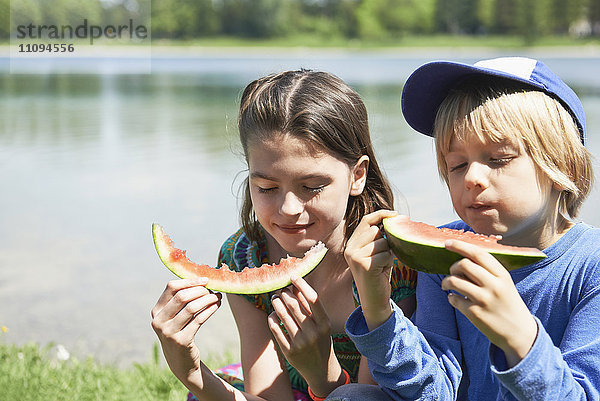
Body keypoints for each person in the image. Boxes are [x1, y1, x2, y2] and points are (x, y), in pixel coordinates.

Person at [329, 57, 600, 400]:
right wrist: (378, 309)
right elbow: (434, 392)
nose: (471, 178)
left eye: (498, 159)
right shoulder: (443, 259)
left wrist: (520, 337)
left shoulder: (591, 269)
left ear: (561, 165)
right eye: (456, 165)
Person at [151, 69, 417, 401]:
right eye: (266, 187)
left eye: (311, 187)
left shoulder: (392, 263)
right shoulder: (243, 256)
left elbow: (369, 397)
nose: (289, 208)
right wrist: (190, 372)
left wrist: (322, 377)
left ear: (357, 175)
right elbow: (267, 395)